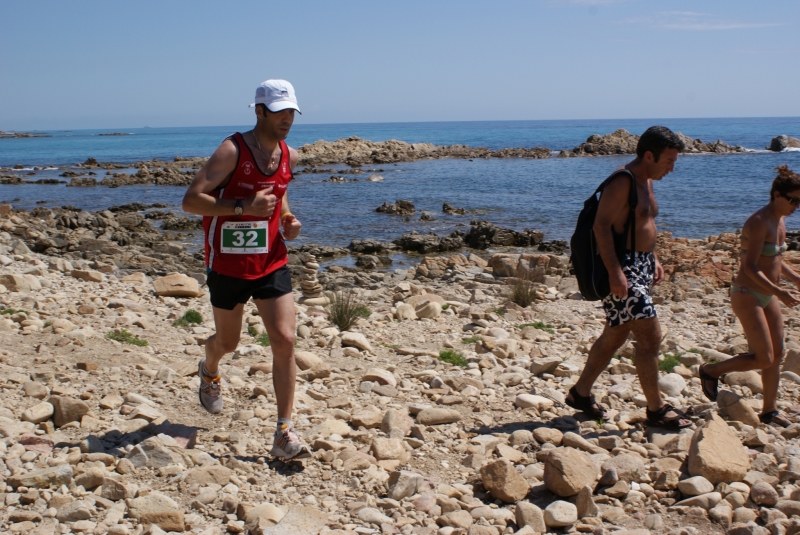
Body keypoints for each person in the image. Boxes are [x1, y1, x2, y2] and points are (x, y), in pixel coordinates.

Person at [182, 79, 310, 460]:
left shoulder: (290, 154)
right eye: (279, 112)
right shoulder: (231, 150)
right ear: (259, 111)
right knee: (228, 343)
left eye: (291, 111)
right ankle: (210, 367)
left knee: (285, 340)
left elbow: (280, 191)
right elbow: (191, 201)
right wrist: (242, 208)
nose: (287, 119)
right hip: (227, 264)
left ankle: (284, 432)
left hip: (271, 259)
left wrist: (287, 217)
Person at [566, 126, 691, 428]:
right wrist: (615, 273)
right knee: (650, 336)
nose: (672, 168)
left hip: (642, 263)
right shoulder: (623, 181)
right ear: (649, 155)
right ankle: (656, 410)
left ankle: (580, 393)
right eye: (669, 161)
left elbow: (641, 222)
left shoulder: (646, 179)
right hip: (624, 269)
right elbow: (601, 226)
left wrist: (655, 258)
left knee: (617, 332)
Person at [699, 165, 800, 427]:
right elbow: (749, 267)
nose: (796, 206)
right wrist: (779, 290)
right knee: (763, 357)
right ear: (777, 194)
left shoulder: (781, 220)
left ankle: (769, 411)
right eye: (794, 200)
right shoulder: (758, 222)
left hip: (769, 296)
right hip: (747, 294)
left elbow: (776, 257)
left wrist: (795, 278)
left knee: (777, 355)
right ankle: (710, 371)